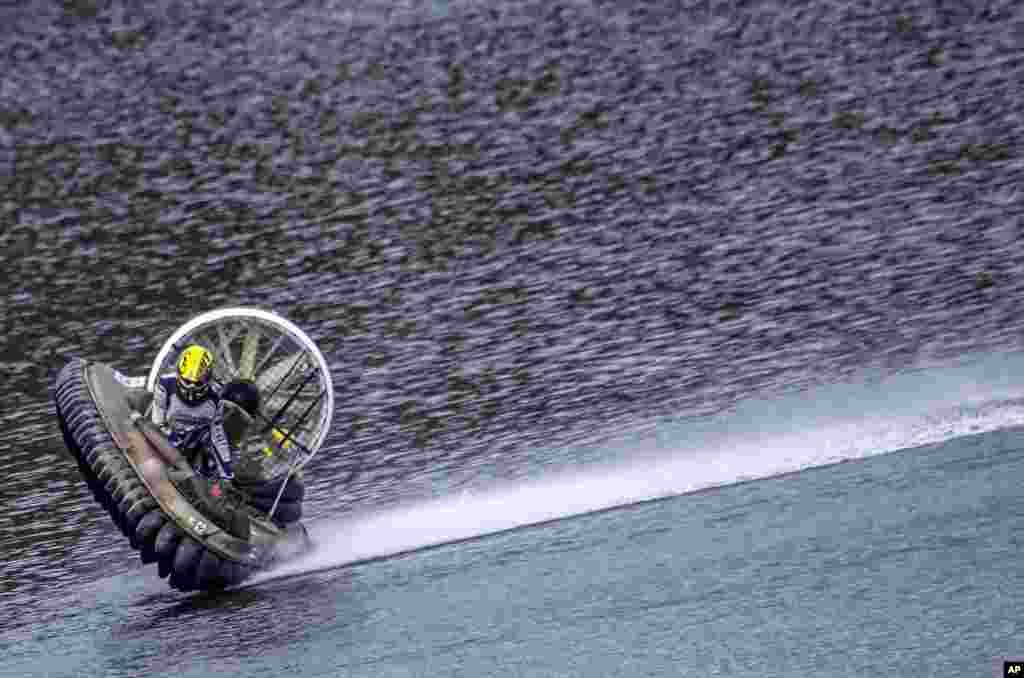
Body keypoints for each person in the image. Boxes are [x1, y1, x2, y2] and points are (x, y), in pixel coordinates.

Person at [151, 344, 235, 482]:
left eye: (196, 382)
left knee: (208, 445)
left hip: (194, 444)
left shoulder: (215, 398)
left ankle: (204, 480)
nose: (191, 386)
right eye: (187, 381)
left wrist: (226, 471)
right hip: (167, 437)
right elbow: (156, 421)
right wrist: (171, 437)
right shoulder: (165, 384)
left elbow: (218, 436)